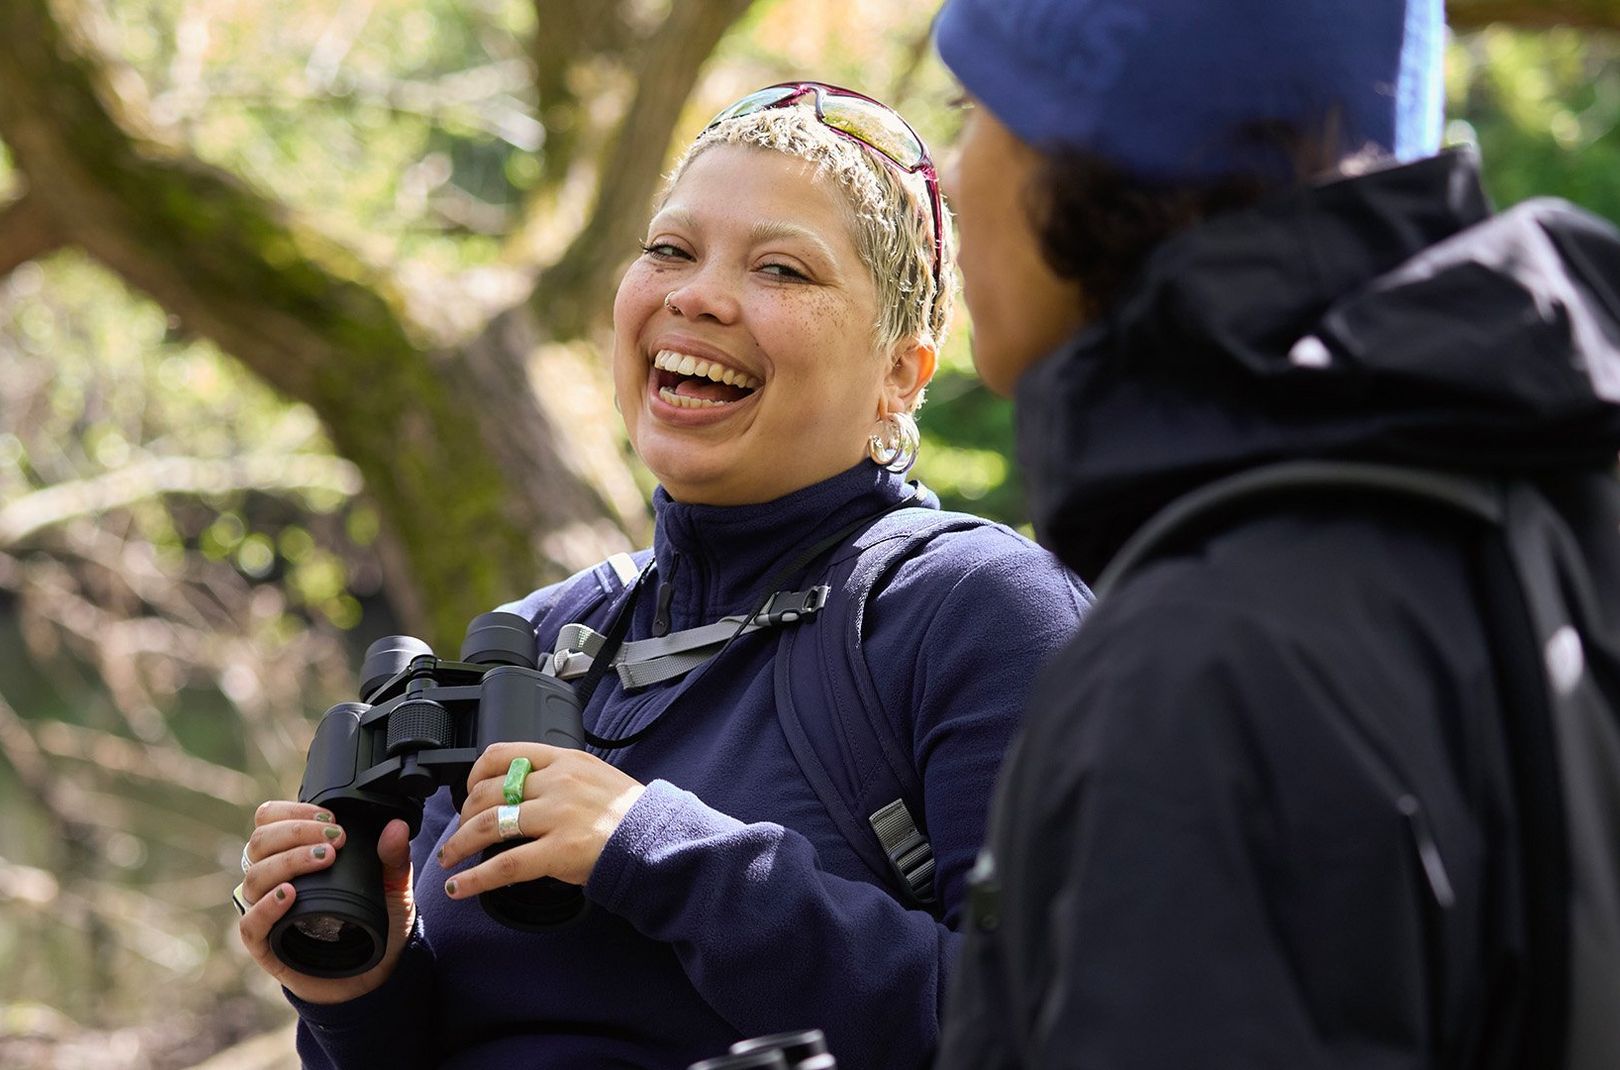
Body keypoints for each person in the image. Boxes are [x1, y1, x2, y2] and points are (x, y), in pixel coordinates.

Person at [233, 82, 1089, 1070]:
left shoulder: (974, 609)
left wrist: (655, 847)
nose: (696, 295)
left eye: (781, 267)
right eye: (670, 250)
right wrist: (357, 989)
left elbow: (1056, 1022)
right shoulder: (541, 638)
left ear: (902, 371)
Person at [930, 0, 1620, 1067]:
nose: (948, 175)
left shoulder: (1205, 671)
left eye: (970, 109)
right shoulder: (1552, 504)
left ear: (1101, 156)